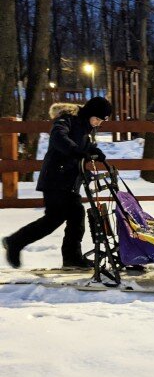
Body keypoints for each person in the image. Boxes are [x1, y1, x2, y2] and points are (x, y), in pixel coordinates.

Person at [2, 97, 112, 269]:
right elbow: (59, 139)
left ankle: (71, 257)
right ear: (89, 113)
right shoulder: (66, 120)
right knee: (55, 219)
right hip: (55, 178)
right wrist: (80, 151)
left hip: (69, 181)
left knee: (75, 215)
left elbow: (82, 149)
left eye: (101, 121)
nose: (98, 124)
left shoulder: (87, 128)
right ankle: (15, 242)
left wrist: (92, 151)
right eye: (97, 119)